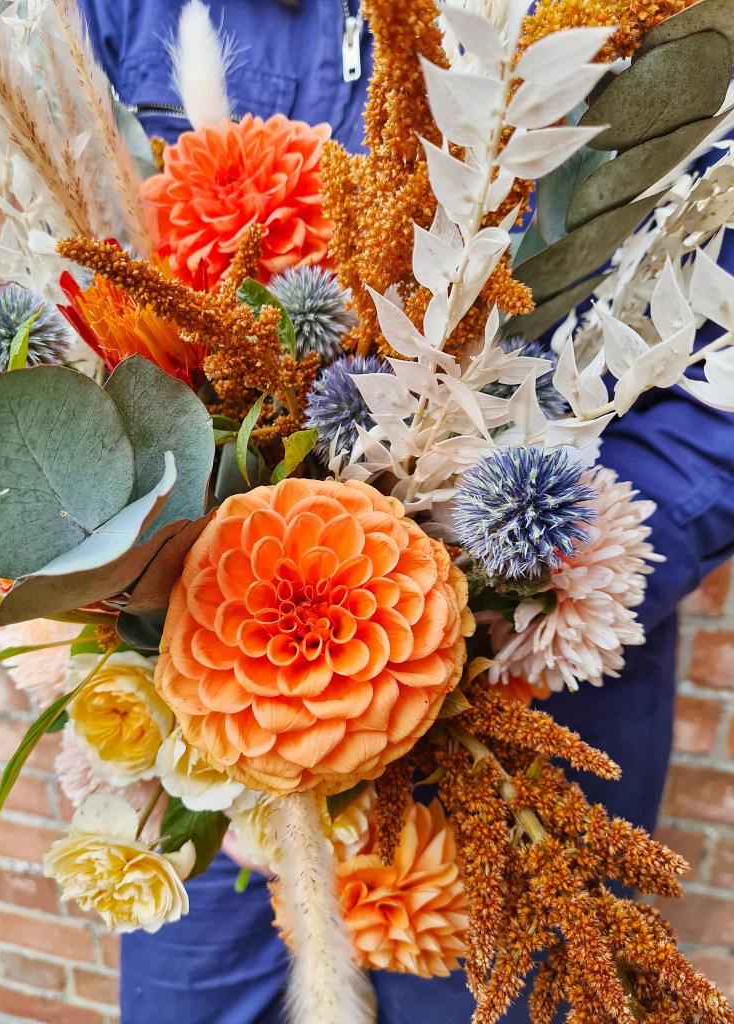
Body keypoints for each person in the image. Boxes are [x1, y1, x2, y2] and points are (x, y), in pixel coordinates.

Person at [77, 2, 734, 1021]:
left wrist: (496, 594)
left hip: (516, 715)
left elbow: (713, 398)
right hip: (200, 733)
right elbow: (94, 241)